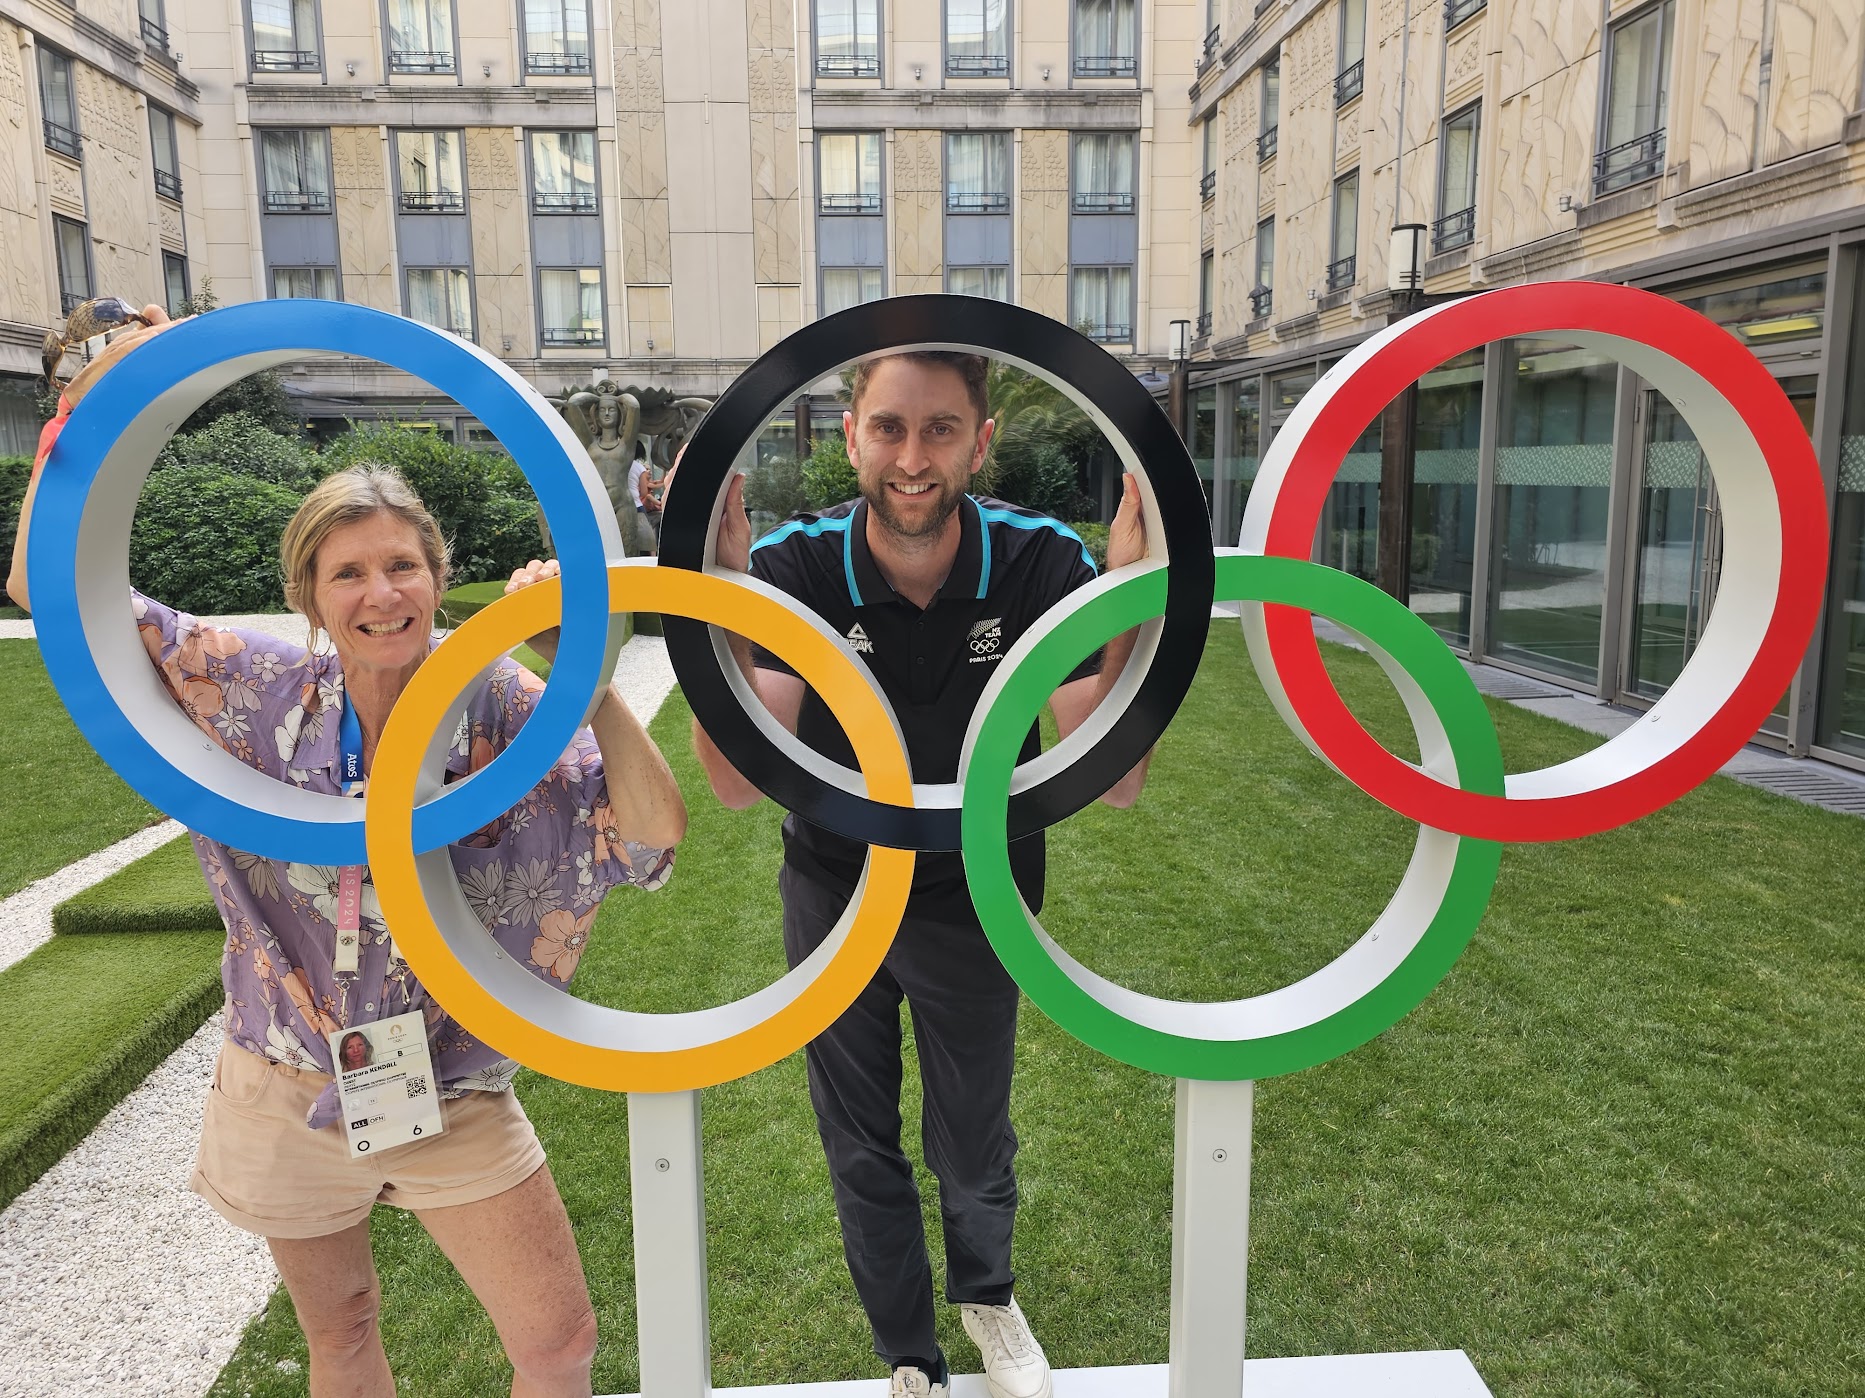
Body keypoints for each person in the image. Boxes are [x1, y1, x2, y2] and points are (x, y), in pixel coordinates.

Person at [9, 304, 689, 1398]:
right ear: (309, 600)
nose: (382, 594)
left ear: (438, 577)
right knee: (343, 1331)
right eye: (348, 574)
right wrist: (78, 417)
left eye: (403, 567)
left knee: (557, 1346)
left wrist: (591, 680)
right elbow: (53, 588)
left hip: (452, 1084)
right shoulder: (254, 692)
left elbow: (651, 843)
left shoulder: (507, 709)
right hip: (283, 1075)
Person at [688, 351, 1151, 1398]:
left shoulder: (1036, 561)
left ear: (979, 443)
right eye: (888, 428)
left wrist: (1124, 597)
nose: (911, 457)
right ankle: (909, 1357)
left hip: (973, 889)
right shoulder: (794, 567)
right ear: (848, 435)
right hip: (835, 882)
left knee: (972, 1136)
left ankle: (986, 1299)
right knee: (857, 1141)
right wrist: (719, 595)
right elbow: (731, 783)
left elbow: (1112, 784)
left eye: (940, 429)